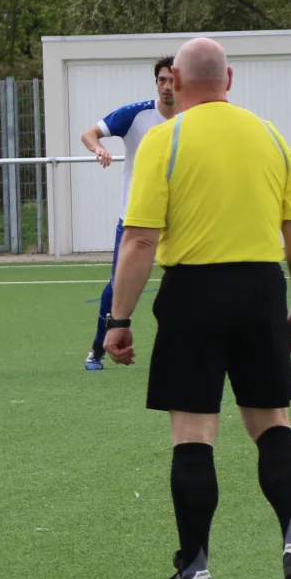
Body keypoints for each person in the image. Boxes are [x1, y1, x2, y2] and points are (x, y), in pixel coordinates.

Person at [101, 38, 291, 579]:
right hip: (259, 290)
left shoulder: (163, 138)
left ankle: (195, 570)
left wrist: (118, 319)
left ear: (174, 79)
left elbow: (141, 239)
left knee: (193, 433)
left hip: (193, 294)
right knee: (273, 422)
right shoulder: (270, 135)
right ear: (230, 80)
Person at [82, 57, 178, 371]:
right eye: (161, 80)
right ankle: (98, 346)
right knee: (117, 284)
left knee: (191, 282)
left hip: (181, 219)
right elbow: (90, 133)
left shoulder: (195, 117)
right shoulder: (136, 114)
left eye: (172, 79)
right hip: (136, 218)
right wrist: (99, 148)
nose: (167, 86)